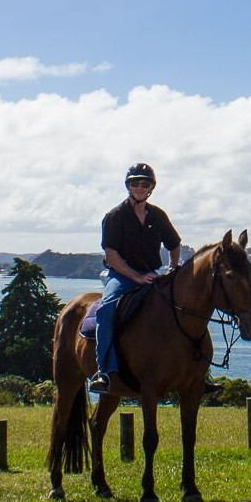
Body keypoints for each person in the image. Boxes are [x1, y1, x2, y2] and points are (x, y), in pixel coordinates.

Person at [89, 162, 182, 394]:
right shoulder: (114, 217)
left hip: (152, 275)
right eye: (135, 183)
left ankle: (195, 371)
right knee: (106, 309)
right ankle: (104, 372)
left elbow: (175, 243)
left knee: (183, 308)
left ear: (151, 187)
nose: (140, 187)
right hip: (121, 275)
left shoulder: (158, 215)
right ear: (128, 186)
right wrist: (136, 277)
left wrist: (172, 269)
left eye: (144, 183)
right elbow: (111, 255)